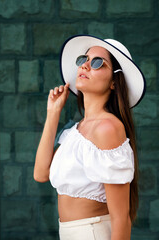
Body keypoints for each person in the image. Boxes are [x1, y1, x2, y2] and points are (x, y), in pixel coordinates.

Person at [33, 35, 146, 240]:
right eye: (83, 59)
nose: (85, 66)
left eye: (96, 63)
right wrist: (53, 114)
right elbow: (41, 173)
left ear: (114, 82)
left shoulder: (108, 128)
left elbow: (121, 218)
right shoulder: (76, 131)